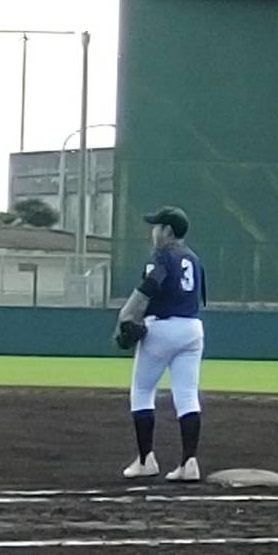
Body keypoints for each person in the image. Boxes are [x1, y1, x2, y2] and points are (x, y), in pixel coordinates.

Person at [113, 205, 206, 482]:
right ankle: (189, 462)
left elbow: (150, 286)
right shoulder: (193, 258)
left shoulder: (162, 255)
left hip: (163, 328)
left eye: (156, 226)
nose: (153, 232)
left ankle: (146, 461)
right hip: (192, 329)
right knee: (187, 395)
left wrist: (125, 315)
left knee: (142, 391)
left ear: (167, 231)